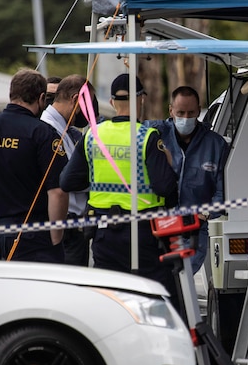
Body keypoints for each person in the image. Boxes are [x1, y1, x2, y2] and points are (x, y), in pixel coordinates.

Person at [59, 73, 178, 298]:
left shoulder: (93, 136)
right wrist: (170, 164)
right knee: (158, 297)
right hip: (143, 233)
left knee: (111, 298)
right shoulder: (148, 137)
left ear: (112, 102)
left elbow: (67, 182)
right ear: (141, 99)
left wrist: (95, 178)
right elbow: (164, 187)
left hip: (104, 234)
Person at [0, 68, 68, 263]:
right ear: (42, 98)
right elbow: (57, 191)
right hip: (34, 234)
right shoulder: (43, 133)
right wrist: (56, 237)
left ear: (12, 94)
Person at [145, 86, 228, 273]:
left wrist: (205, 214)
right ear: (170, 110)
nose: (185, 117)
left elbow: (222, 191)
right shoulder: (153, 134)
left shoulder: (215, 144)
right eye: (180, 112)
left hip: (193, 230)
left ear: (199, 111)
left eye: (191, 113)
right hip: (158, 227)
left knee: (182, 283)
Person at [40, 74, 96, 266]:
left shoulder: (64, 129)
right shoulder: (49, 130)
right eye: (86, 106)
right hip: (65, 227)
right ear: (75, 99)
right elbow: (68, 179)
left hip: (71, 225)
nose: (87, 114)